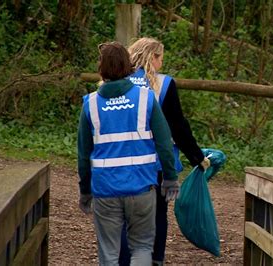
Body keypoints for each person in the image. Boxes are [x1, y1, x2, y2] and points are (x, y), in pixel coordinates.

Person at [77, 41, 180, 265]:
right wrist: (170, 178)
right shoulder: (145, 98)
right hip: (142, 187)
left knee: (109, 254)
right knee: (142, 248)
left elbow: (83, 155)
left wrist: (85, 190)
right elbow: (164, 143)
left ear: (101, 68)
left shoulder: (91, 104)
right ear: (128, 67)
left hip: (105, 190)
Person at [119, 37, 211, 266]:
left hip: (123, 160)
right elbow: (178, 126)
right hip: (158, 163)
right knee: (158, 213)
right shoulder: (164, 84)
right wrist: (197, 157)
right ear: (153, 57)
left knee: (124, 215)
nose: (162, 64)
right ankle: (155, 260)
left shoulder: (118, 81)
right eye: (161, 58)